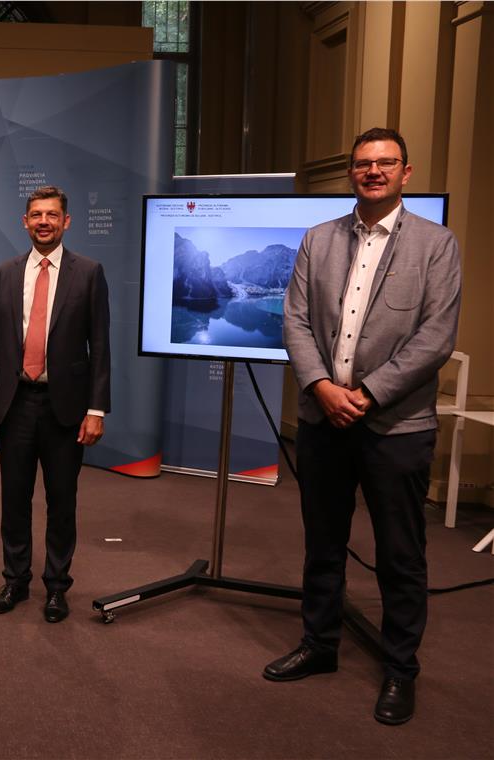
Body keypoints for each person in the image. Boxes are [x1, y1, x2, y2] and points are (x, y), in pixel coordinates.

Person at [267, 127, 462, 725]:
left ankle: (400, 668)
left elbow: (436, 337)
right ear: (351, 173)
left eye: (385, 162)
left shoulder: (437, 244)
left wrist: (369, 394)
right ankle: (319, 644)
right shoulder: (317, 239)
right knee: (323, 543)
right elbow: (295, 320)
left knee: (401, 552)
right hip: (323, 419)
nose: (373, 171)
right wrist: (323, 388)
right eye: (362, 163)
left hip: (396, 426)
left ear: (406, 172)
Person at [0, 185, 111, 623]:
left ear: (66, 221)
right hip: (15, 404)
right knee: (14, 499)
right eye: (36, 215)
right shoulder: (4, 273)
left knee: (61, 501)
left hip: (65, 408)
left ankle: (56, 587)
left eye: (52, 215)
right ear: (25, 222)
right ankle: (15, 581)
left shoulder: (88, 273)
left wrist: (96, 410)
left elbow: (100, 347)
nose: (44, 222)